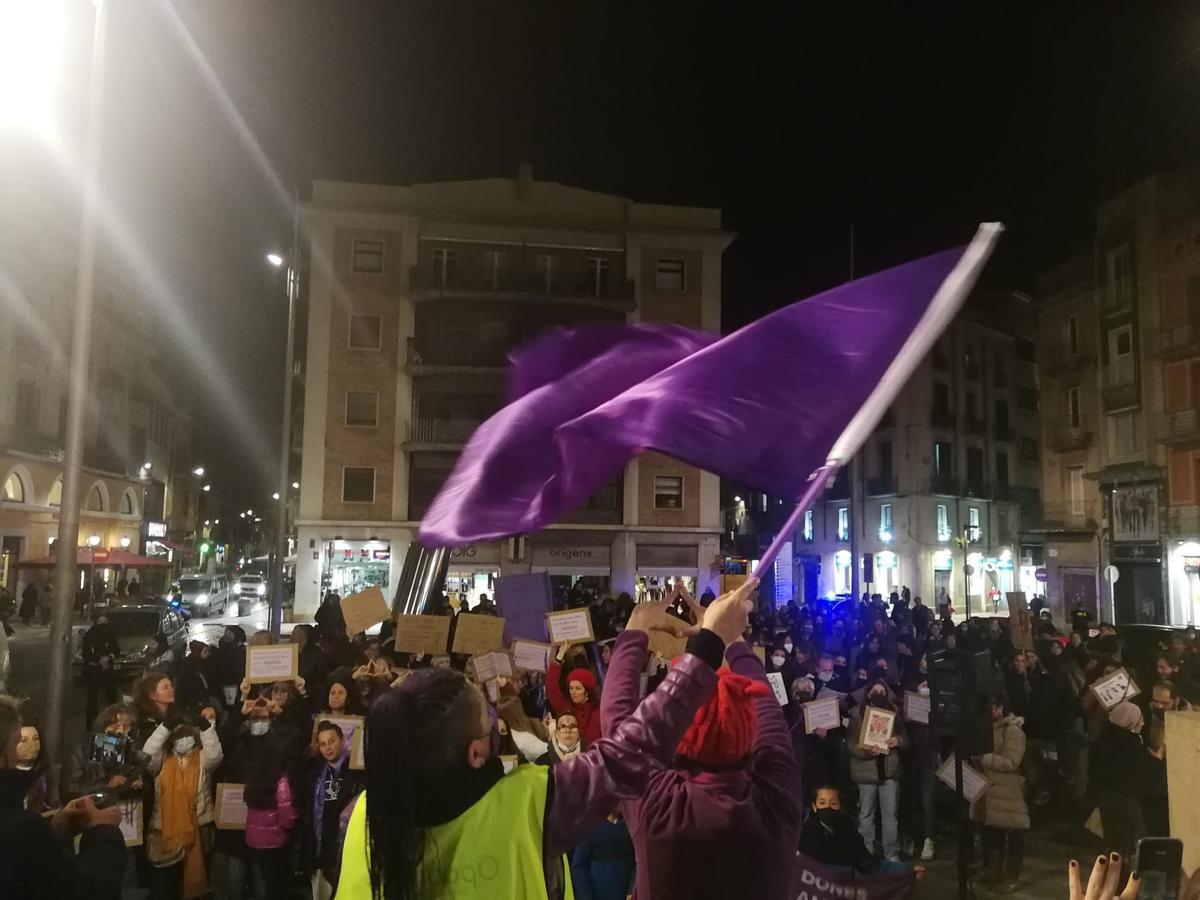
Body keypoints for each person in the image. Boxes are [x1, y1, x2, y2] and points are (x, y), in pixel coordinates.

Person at [336, 582, 755, 900]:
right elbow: (632, 748)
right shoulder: (528, 806)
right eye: (489, 715)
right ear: (477, 752)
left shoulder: (360, 818)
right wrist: (709, 644)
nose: (497, 716)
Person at [601, 584, 802, 900]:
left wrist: (639, 622)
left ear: (679, 736)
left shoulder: (660, 806)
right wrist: (729, 638)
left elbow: (616, 721)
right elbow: (767, 708)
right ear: (747, 730)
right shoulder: (778, 801)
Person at [0, 695, 127, 900]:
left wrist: (56, 826)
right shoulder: (20, 828)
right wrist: (103, 830)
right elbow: (91, 891)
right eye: (17, 742)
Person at [145, 716, 223, 900]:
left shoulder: (203, 759)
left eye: (188, 735)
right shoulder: (161, 761)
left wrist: (205, 726)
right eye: (179, 735)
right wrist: (165, 725)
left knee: (194, 879)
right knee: (167, 883)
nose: (184, 739)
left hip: (199, 827)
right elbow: (148, 753)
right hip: (164, 830)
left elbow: (216, 754)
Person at [971, 693, 1030, 893]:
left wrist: (984, 758)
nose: (991, 712)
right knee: (993, 833)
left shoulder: (1013, 730)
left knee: (1014, 834)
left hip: (1008, 791)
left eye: (994, 708)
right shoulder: (989, 728)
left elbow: (1012, 761)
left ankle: (1012, 876)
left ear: (1001, 708)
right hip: (990, 790)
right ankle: (994, 871)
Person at [849, 679, 908, 862]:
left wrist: (898, 740)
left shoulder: (895, 714)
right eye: (875, 690)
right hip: (866, 772)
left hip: (889, 772)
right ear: (868, 693)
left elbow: (906, 739)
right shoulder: (856, 715)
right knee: (866, 814)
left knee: (891, 815)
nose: (879, 693)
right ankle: (866, 852)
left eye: (882, 691)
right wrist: (866, 750)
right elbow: (851, 746)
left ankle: (891, 853)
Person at [305, 720, 364, 900]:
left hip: (342, 850)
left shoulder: (355, 774)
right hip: (318, 849)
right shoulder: (315, 772)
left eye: (332, 741)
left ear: (342, 740)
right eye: (322, 744)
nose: (328, 748)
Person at [243, 728, 299, 899]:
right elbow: (287, 816)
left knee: (262, 879)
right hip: (275, 841)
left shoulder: (252, 777)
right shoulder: (281, 781)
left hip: (254, 840)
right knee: (275, 885)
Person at [62, 703, 142, 802]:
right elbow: (68, 791)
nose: (120, 731)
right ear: (103, 727)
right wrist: (106, 784)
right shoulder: (81, 751)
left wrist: (132, 784)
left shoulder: (129, 750)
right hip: (87, 811)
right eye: (115, 726)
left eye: (125, 727)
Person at [798, 785, 878, 872]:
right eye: (822, 803)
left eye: (833, 803)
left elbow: (866, 862)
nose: (828, 807)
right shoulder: (804, 834)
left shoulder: (850, 833)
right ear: (814, 807)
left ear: (841, 807)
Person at [569, 814, 635, 900]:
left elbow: (640, 861)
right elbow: (579, 866)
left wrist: (632, 890)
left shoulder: (632, 822)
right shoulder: (589, 826)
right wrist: (587, 896)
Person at [546, 653, 601, 746]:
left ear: (587, 691)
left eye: (578, 688)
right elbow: (551, 687)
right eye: (571, 688)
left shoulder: (599, 712)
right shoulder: (566, 707)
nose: (573, 692)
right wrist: (558, 658)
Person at [82, 615, 121, 725]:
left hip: (107, 669)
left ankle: (113, 719)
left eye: (105, 621)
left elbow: (116, 649)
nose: (102, 624)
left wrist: (109, 657)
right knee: (92, 696)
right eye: (100, 621)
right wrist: (99, 659)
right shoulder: (90, 635)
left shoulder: (110, 634)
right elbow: (86, 653)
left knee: (111, 694)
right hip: (93, 670)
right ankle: (91, 721)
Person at [14, 720, 57, 813]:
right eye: (24, 740)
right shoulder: (6, 776)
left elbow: (54, 805)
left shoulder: (45, 775)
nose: (31, 745)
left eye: (36, 739)